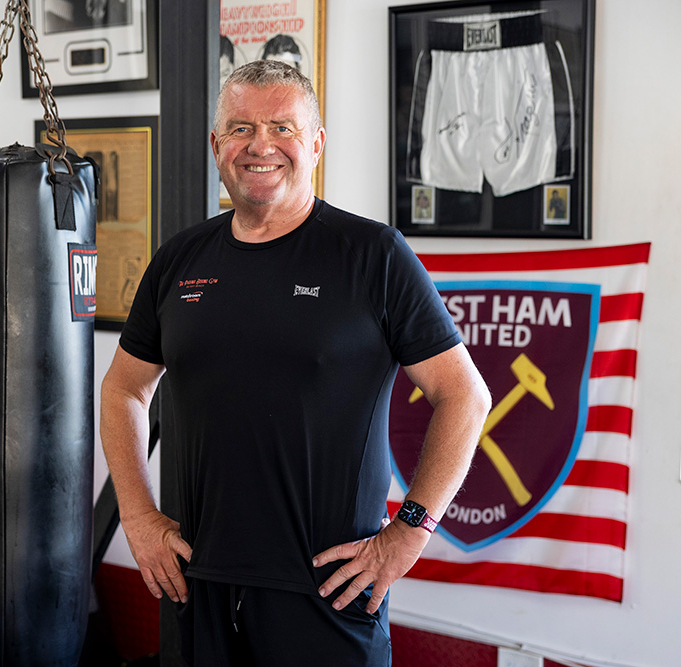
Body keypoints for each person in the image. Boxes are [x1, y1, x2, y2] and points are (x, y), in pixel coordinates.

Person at [100, 60, 490, 666]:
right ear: (215, 145)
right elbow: (124, 389)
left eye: (282, 127)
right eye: (240, 128)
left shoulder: (372, 255)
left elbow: (465, 396)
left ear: (315, 144)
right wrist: (138, 514)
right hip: (194, 581)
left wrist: (410, 531)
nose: (260, 145)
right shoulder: (181, 258)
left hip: (326, 591)